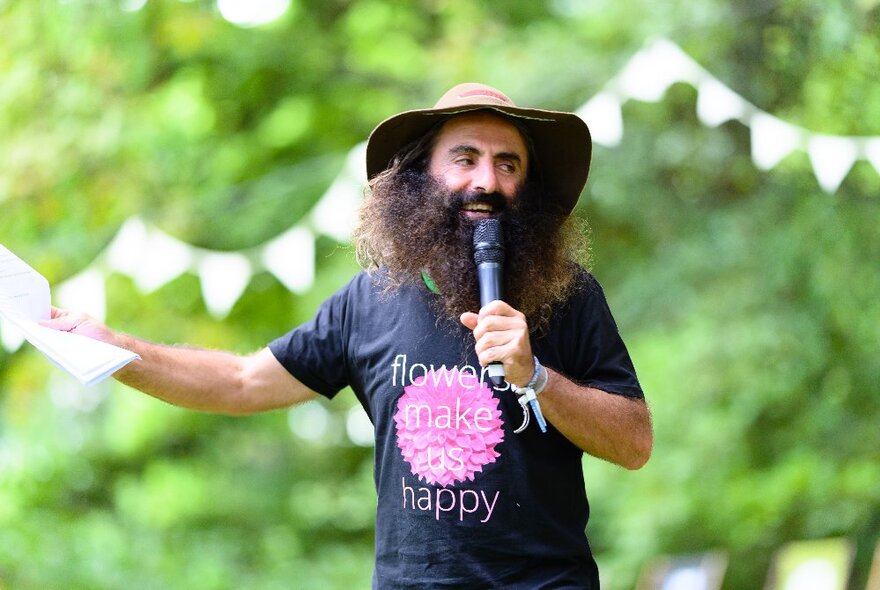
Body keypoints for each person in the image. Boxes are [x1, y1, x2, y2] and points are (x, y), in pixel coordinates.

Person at [46, 83, 653, 588]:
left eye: (507, 163)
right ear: (421, 176)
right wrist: (118, 351)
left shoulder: (569, 297)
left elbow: (634, 443)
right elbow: (238, 382)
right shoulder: (368, 302)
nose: (486, 181)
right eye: (464, 159)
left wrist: (538, 378)